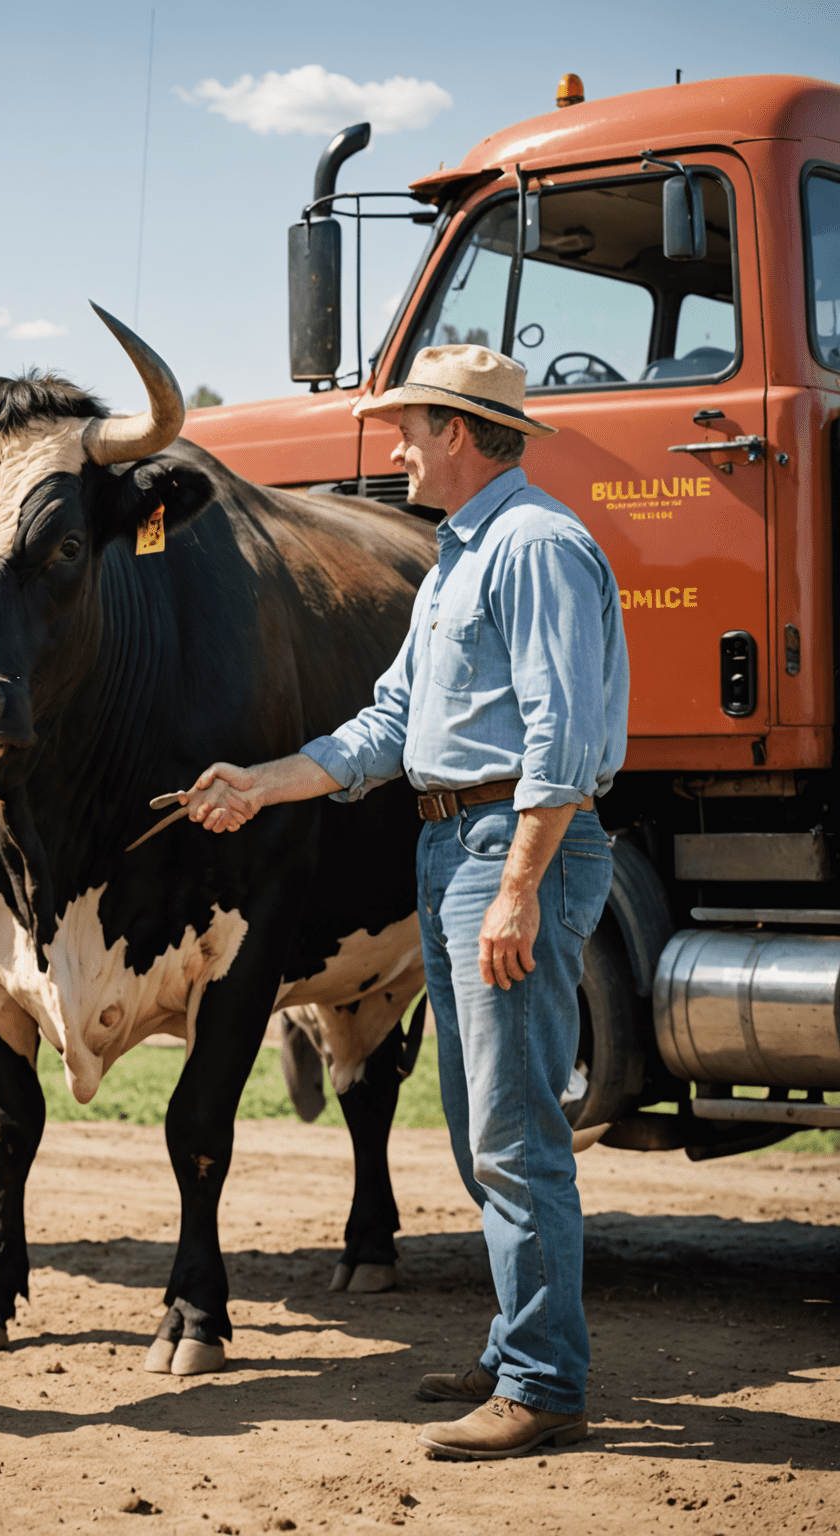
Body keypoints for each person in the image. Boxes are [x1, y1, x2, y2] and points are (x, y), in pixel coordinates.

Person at [179, 345, 628, 1461]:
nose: (395, 447)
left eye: (410, 429)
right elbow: (386, 728)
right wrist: (263, 781)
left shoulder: (535, 547)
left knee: (518, 1135)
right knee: (487, 1129)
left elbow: (562, 743)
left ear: (462, 433)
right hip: (450, 846)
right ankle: (518, 1344)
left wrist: (518, 885)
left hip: (502, 848)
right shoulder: (457, 558)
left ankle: (542, 1383)